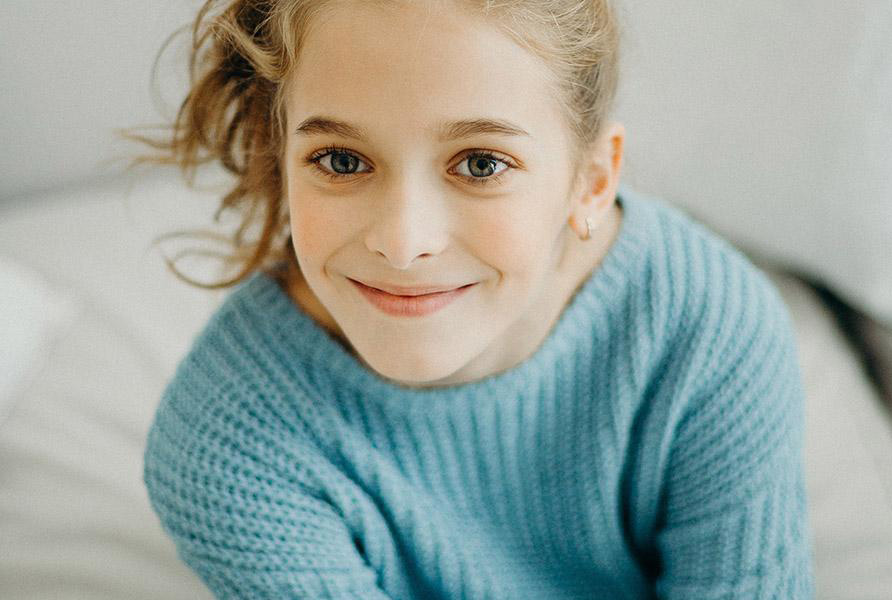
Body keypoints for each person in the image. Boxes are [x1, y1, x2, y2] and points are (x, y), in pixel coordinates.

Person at [136, 0, 816, 597]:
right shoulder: (227, 444)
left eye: (481, 163)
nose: (403, 244)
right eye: (342, 160)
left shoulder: (707, 330)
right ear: (279, 156)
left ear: (592, 179)